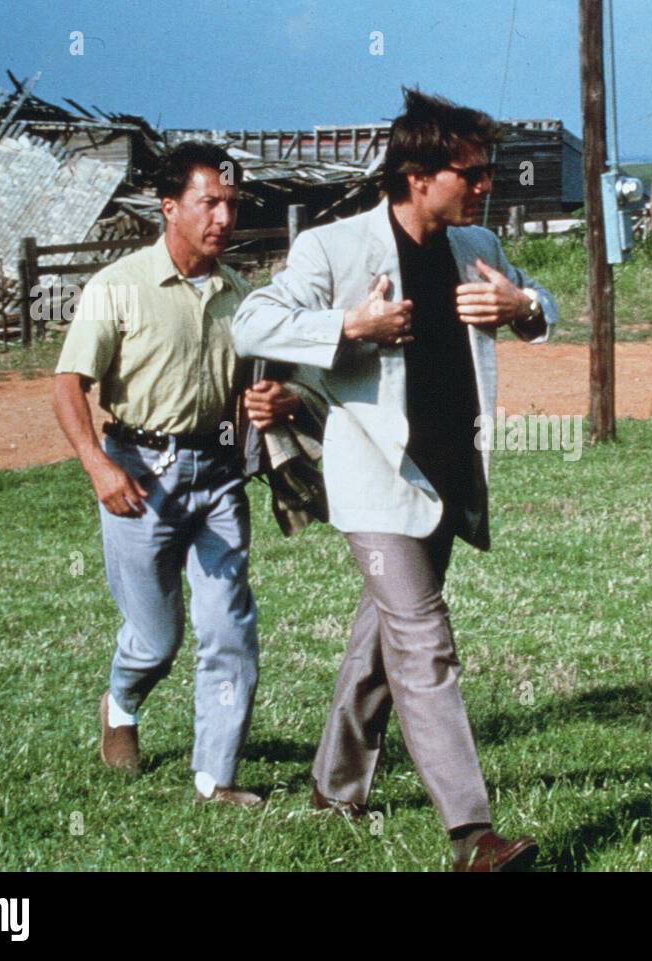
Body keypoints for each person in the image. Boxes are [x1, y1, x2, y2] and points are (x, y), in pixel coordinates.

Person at [231, 89, 558, 870]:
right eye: (470, 172)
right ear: (417, 175)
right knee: (424, 641)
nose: (485, 186)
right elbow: (252, 321)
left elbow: (542, 308)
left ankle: (334, 786)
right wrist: (350, 327)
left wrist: (520, 303)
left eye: (486, 172)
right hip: (373, 480)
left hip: (447, 478)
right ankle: (472, 836)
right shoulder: (333, 248)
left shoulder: (475, 240)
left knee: (381, 643)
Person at [52, 141, 302, 807]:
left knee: (229, 627)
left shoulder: (242, 298)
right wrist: (98, 465)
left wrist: (272, 399)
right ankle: (122, 702)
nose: (224, 216)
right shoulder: (118, 287)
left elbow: (272, 383)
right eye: (209, 202)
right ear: (170, 208)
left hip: (218, 478)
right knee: (157, 639)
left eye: (232, 203)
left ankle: (214, 776)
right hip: (139, 476)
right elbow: (68, 385)